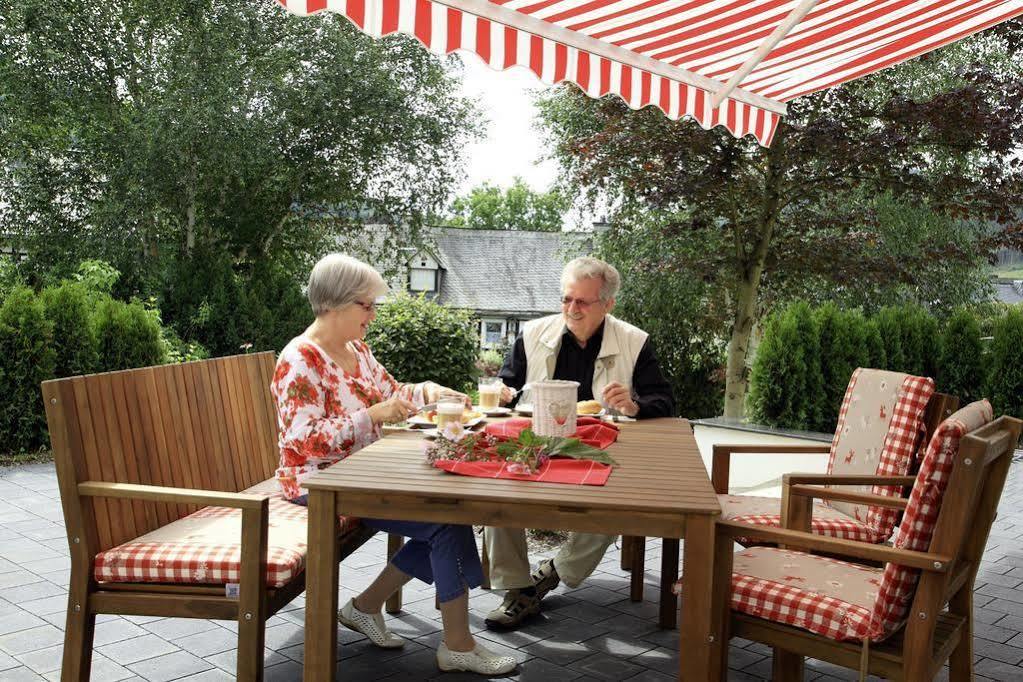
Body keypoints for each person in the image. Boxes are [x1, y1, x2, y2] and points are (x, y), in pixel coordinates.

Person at [270, 253, 516, 675]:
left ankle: (365, 607)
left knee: (449, 514)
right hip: (319, 483)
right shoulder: (299, 360)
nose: (373, 314)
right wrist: (372, 416)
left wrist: (432, 393)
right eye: (366, 305)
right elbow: (302, 441)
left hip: (365, 472)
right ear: (334, 304)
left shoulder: (355, 350)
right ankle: (457, 644)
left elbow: (394, 391)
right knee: (443, 523)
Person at [484, 256, 674, 630]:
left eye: (583, 302)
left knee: (618, 505)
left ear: (608, 304)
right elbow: (508, 382)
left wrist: (635, 404)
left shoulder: (634, 342)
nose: (572, 309)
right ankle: (517, 588)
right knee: (497, 494)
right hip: (537, 444)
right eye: (566, 299)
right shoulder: (533, 333)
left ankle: (553, 572)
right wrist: (501, 392)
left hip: (599, 450)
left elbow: (665, 400)